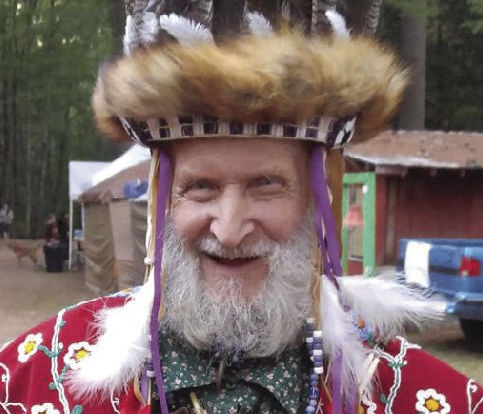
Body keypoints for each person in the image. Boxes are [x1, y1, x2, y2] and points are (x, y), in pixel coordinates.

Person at [0, 1, 481, 413]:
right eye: (201, 187)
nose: (229, 230)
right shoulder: (32, 380)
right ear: (164, 199)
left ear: (319, 199)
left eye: (267, 184)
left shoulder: (426, 398)